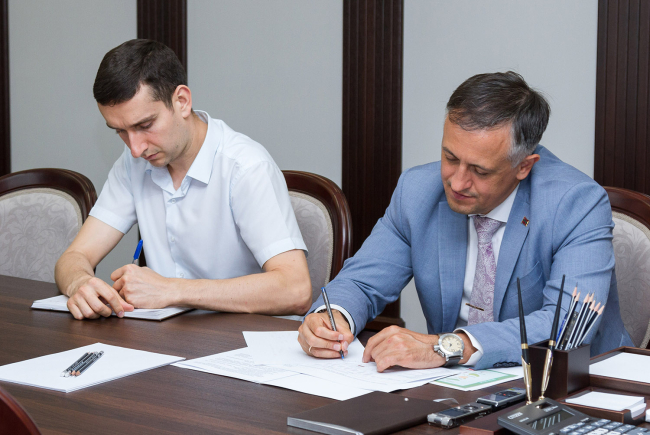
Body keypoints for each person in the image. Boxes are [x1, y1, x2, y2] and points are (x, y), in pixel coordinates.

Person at [298, 71, 632, 370]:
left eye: (480, 171)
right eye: (450, 157)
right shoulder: (417, 192)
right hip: (454, 389)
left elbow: (568, 324)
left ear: (524, 166)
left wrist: (450, 346)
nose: (457, 183)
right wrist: (331, 317)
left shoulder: (575, 203)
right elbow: (362, 282)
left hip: (570, 386)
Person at [55, 39, 311, 320]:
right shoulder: (133, 163)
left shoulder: (246, 167)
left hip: (242, 337)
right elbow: (74, 257)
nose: (136, 148)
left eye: (145, 125)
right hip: (167, 336)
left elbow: (295, 290)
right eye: (120, 131)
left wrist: (172, 290)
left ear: (182, 102)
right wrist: (80, 283)